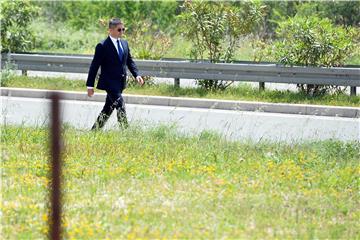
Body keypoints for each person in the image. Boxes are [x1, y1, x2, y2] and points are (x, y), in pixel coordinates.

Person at [86, 18, 144, 130]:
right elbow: (94, 66)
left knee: (108, 108)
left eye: (123, 29)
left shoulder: (124, 43)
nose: (122, 32)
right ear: (110, 30)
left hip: (120, 83)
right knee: (120, 105)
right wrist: (90, 85)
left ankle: (94, 131)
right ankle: (126, 132)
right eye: (119, 30)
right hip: (109, 83)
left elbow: (129, 61)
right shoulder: (102, 46)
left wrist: (137, 75)